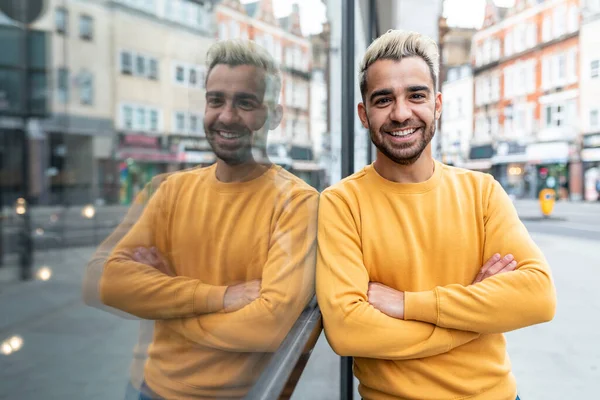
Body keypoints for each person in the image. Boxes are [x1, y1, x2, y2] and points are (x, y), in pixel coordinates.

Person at [316, 30, 556, 400]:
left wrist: (408, 305)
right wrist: (473, 315)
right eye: (383, 100)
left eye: (416, 95)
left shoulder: (482, 192)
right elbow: (349, 330)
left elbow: (538, 296)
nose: (401, 113)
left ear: (437, 104)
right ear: (364, 114)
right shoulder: (342, 203)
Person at [98, 39, 318, 399]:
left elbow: (267, 326)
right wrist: (220, 297)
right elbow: (113, 283)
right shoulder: (171, 190)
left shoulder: (296, 202)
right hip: (150, 390)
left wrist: (168, 302)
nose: (227, 116)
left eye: (245, 103)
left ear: (274, 116)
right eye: (216, 100)